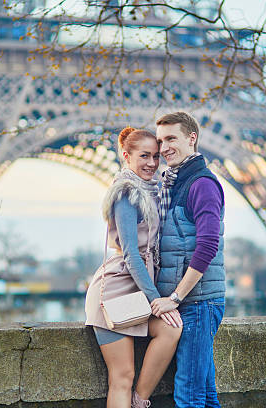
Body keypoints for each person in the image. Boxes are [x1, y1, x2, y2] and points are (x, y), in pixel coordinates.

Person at [85, 127, 183, 408]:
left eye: (155, 156)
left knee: (171, 330)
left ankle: (140, 401)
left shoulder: (153, 191)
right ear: (126, 156)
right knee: (122, 375)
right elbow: (131, 255)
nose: (152, 163)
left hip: (139, 288)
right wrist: (157, 300)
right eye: (144, 156)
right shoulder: (127, 193)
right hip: (116, 291)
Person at [150, 112, 226, 408]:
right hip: (193, 303)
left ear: (191, 138)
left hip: (198, 303)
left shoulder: (201, 184)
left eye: (171, 138)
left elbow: (208, 244)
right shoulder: (173, 184)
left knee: (189, 396)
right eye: (160, 140)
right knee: (204, 395)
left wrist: (176, 297)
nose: (163, 147)